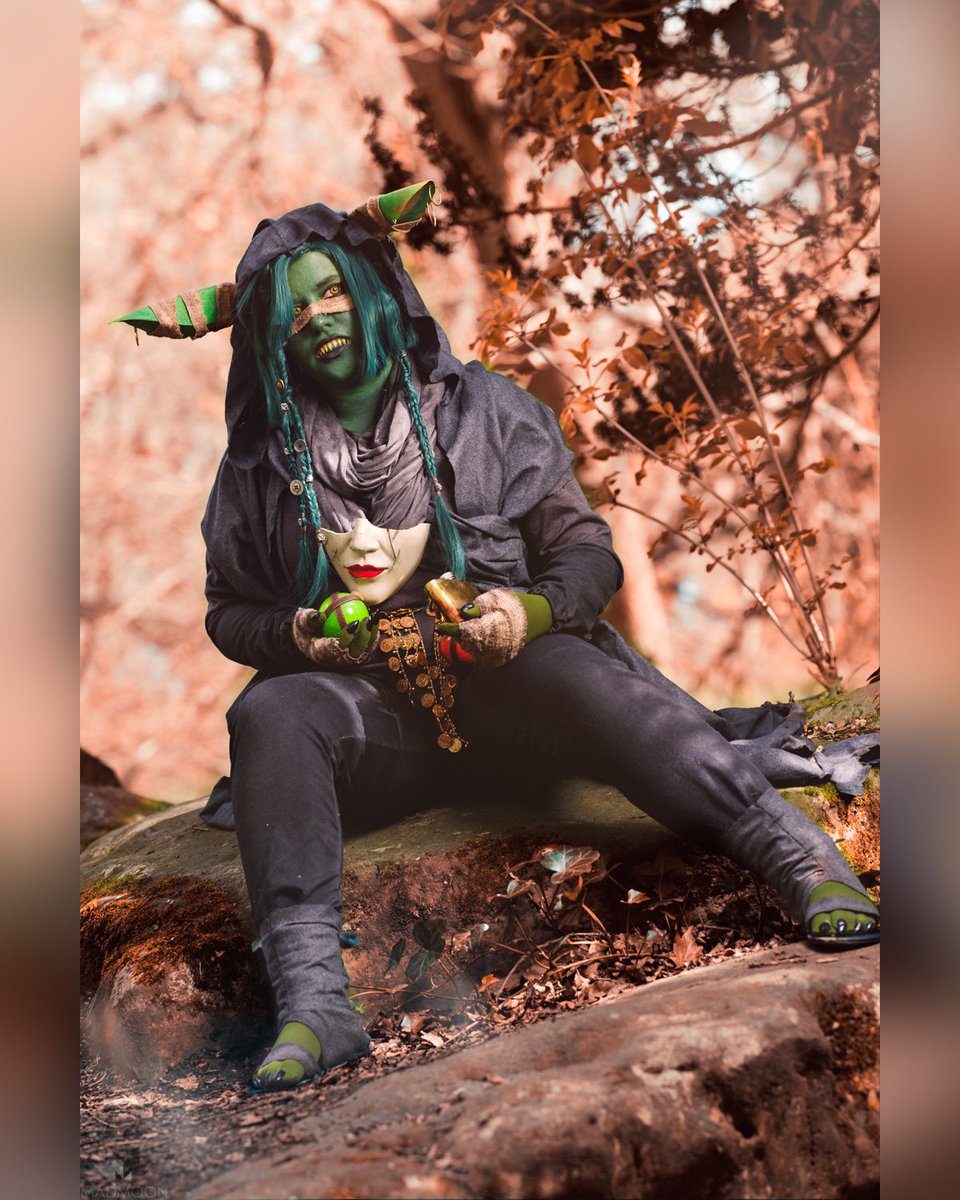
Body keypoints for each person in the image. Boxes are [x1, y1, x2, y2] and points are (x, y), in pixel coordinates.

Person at [116, 183, 879, 1093]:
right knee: (272, 715)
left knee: (579, 673)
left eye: (332, 291)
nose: (317, 319)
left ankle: (802, 861)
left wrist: (530, 615)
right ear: (271, 338)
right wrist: (300, 634)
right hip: (376, 730)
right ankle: (315, 1005)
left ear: (375, 291)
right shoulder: (261, 465)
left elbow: (586, 556)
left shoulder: (487, 411)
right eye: (293, 310)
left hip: (515, 700)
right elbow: (228, 610)